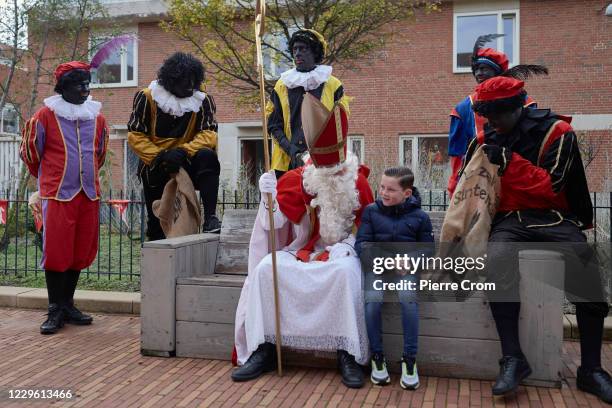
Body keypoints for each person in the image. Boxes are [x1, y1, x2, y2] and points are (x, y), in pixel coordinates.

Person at [460, 76, 612, 402]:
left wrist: (510, 162)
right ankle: (514, 359)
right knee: (497, 260)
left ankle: (591, 370)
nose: (492, 123)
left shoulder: (559, 133)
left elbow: (551, 188)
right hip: (508, 220)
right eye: (487, 116)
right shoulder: (486, 137)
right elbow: (462, 185)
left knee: (587, 273)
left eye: (497, 115)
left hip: (553, 218)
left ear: (516, 108)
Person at [231, 95, 373, 388]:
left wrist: (348, 249)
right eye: (323, 166)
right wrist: (267, 197)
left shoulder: (357, 182)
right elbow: (276, 224)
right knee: (266, 269)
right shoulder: (300, 178)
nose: (329, 172)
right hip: (303, 249)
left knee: (345, 274)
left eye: (333, 165)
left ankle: (348, 353)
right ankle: (265, 348)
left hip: (345, 250)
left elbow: (368, 229)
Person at [20, 61, 108, 334]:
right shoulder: (44, 116)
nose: (85, 90)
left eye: (87, 84)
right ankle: (54, 309)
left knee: (79, 251)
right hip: (58, 194)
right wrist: (51, 177)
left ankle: (68, 305)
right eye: (78, 85)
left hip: (88, 193)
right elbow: (30, 154)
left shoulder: (98, 117)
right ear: (64, 87)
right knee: (57, 252)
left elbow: (100, 153)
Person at [127, 52, 221, 238]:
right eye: (184, 81)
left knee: (207, 156)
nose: (189, 86)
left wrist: (184, 151)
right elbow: (135, 135)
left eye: (193, 81)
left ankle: (210, 217)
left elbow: (208, 134)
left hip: (187, 159)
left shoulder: (202, 101)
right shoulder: (147, 98)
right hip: (156, 164)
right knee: (157, 227)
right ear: (171, 81)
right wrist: (161, 155)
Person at [356, 167, 434, 389]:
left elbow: (428, 249)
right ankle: (377, 358)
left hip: (406, 269)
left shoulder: (420, 217)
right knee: (372, 302)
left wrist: (409, 260)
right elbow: (361, 244)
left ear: (407, 193)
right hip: (377, 266)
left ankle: (410, 360)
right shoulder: (371, 212)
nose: (383, 192)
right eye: (382, 187)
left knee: (408, 299)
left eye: (391, 189)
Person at [447, 34, 542, 195]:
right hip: (478, 180)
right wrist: (455, 186)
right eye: (476, 69)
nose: (478, 73)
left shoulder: (524, 101)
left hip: (518, 174)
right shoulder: (462, 109)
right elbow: (458, 155)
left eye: (484, 68)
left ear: (498, 72)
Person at [267, 29, 349, 179]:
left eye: (303, 49)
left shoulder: (333, 85)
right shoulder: (281, 85)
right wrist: (291, 149)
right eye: (295, 49)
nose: (297, 53)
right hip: (287, 162)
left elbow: (339, 124)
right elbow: (273, 124)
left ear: (315, 52)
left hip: (323, 164)